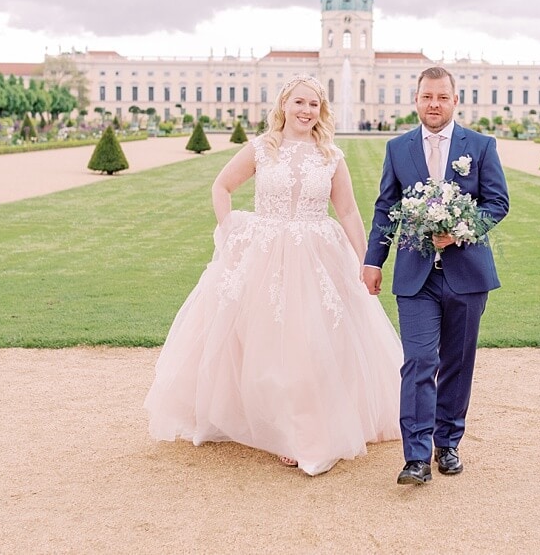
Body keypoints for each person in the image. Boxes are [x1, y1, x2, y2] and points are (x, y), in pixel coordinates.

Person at [144, 75, 402, 476]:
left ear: (322, 110)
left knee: (311, 342)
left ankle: (306, 428)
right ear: (284, 105)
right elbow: (221, 186)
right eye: (299, 102)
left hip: (318, 255)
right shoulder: (262, 148)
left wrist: (365, 260)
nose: (306, 111)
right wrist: (232, 234)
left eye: (314, 104)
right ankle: (278, 426)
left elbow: (348, 212)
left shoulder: (331, 155)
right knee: (267, 341)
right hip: (265, 255)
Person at [363, 66, 510, 485]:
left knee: (457, 362)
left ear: (454, 100)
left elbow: (497, 203)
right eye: (427, 97)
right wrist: (375, 260)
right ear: (416, 99)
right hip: (416, 276)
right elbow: (384, 207)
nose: (434, 104)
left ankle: (448, 445)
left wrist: (461, 228)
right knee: (419, 361)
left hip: (467, 273)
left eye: (442, 97)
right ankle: (415, 455)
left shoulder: (480, 146)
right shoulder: (398, 148)